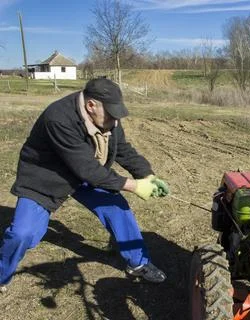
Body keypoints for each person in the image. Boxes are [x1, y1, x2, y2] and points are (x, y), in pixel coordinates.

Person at [0, 78, 169, 293]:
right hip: (46, 177)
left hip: (84, 174)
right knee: (23, 234)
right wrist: (134, 186)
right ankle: (2, 274)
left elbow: (124, 150)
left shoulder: (108, 117)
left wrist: (147, 176)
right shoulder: (58, 118)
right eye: (111, 113)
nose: (115, 120)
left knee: (118, 209)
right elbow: (89, 170)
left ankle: (138, 263)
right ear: (91, 105)